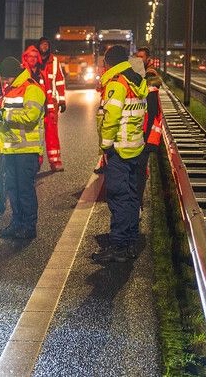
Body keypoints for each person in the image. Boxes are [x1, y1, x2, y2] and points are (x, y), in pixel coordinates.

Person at [92, 45, 148, 263]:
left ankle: (119, 246)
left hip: (118, 149)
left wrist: (105, 146)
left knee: (118, 197)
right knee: (132, 196)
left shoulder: (117, 83)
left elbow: (111, 118)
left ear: (108, 63)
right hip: (135, 146)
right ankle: (130, 240)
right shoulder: (136, 81)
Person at [0, 45, 47, 240]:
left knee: (25, 190)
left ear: (13, 74)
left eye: (6, 77)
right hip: (11, 149)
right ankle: (17, 222)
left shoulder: (32, 89)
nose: (4, 81)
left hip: (27, 151)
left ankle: (29, 226)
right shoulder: (12, 90)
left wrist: (6, 114)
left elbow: (31, 116)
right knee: (13, 189)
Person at [135, 47, 164, 206]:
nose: (139, 60)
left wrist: (146, 136)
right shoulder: (139, 74)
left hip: (146, 132)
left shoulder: (151, 76)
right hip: (138, 131)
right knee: (138, 169)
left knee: (139, 170)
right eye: (136, 57)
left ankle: (138, 204)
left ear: (148, 59)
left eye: (141, 58)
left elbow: (151, 110)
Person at [37, 37, 66, 171]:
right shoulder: (33, 60)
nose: (44, 47)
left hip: (51, 103)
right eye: (42, 44)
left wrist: (62, 100)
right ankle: (36, 163)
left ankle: (55, 162)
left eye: (46, 44)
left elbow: (59, 80)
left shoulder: (54, 61)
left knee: (52, 133)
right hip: (36, 102)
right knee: (35, 134)